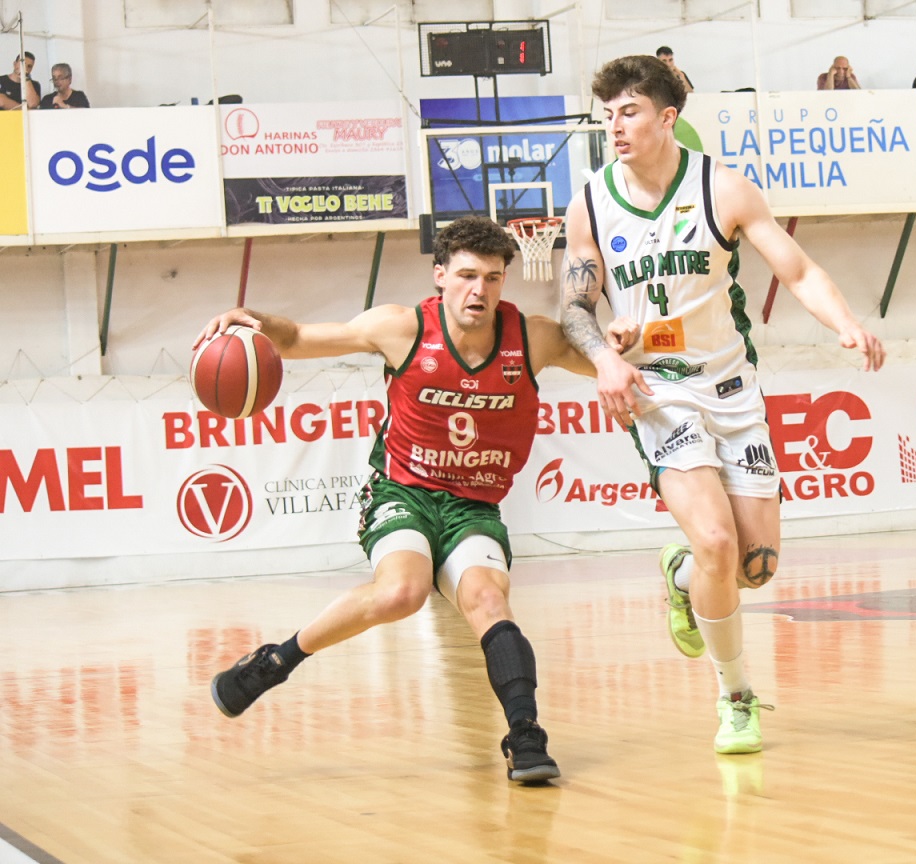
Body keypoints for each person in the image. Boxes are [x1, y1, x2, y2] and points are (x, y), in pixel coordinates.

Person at [197, 216, 633, 785]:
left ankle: (525, 734)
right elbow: (300, 338)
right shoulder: (401, 327)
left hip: (474, 504)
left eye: (494, 279)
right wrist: (254, 320)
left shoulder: (533, 336)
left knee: (487, 602)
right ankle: (276, 661)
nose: (480, 290)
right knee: (402, 591)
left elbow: (607, 361)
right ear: (440, 276)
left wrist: (626, 340)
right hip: (402, 489)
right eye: (469, 276)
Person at [559, 55, 885, 755]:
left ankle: (678, 575)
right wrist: (605, 358)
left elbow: (796, 269)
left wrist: (845, 323)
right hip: (658, 391)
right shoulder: (589, 202)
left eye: (629, 111)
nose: (613, 125)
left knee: (753, 567)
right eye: (608, 113)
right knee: (715, 541)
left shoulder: (725, 190)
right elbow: (575, 307)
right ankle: (735, 696)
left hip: (733, 387)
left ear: (667, 118)